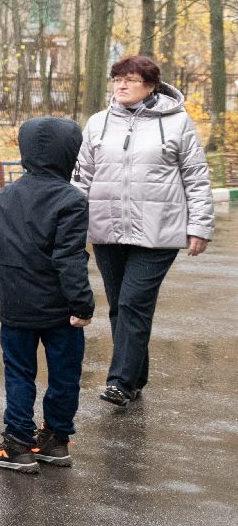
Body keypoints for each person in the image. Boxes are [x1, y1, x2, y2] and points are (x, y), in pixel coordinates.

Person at [73, 55, 214, 408]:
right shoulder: (98, 123)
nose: (120, 85)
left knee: (134, 302)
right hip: (107, 228)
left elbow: (196, 177)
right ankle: (135, 377)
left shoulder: (178, 123)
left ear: (150, 85)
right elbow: (82, 177)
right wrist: (69, 222)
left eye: (130, 80)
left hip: (158, 232)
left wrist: (198, 226)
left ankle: (119, 382)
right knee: (121, 306)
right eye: (117, 79)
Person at [0, 118, 95, 472]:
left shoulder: (3, 197)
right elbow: (69, 256)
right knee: (64, 373)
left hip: (17, 303)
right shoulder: (71, 199)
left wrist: (4, 288)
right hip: (61, 307)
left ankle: (17, 443)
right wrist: (82, 304)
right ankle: (56, 439)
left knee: (18, 371)